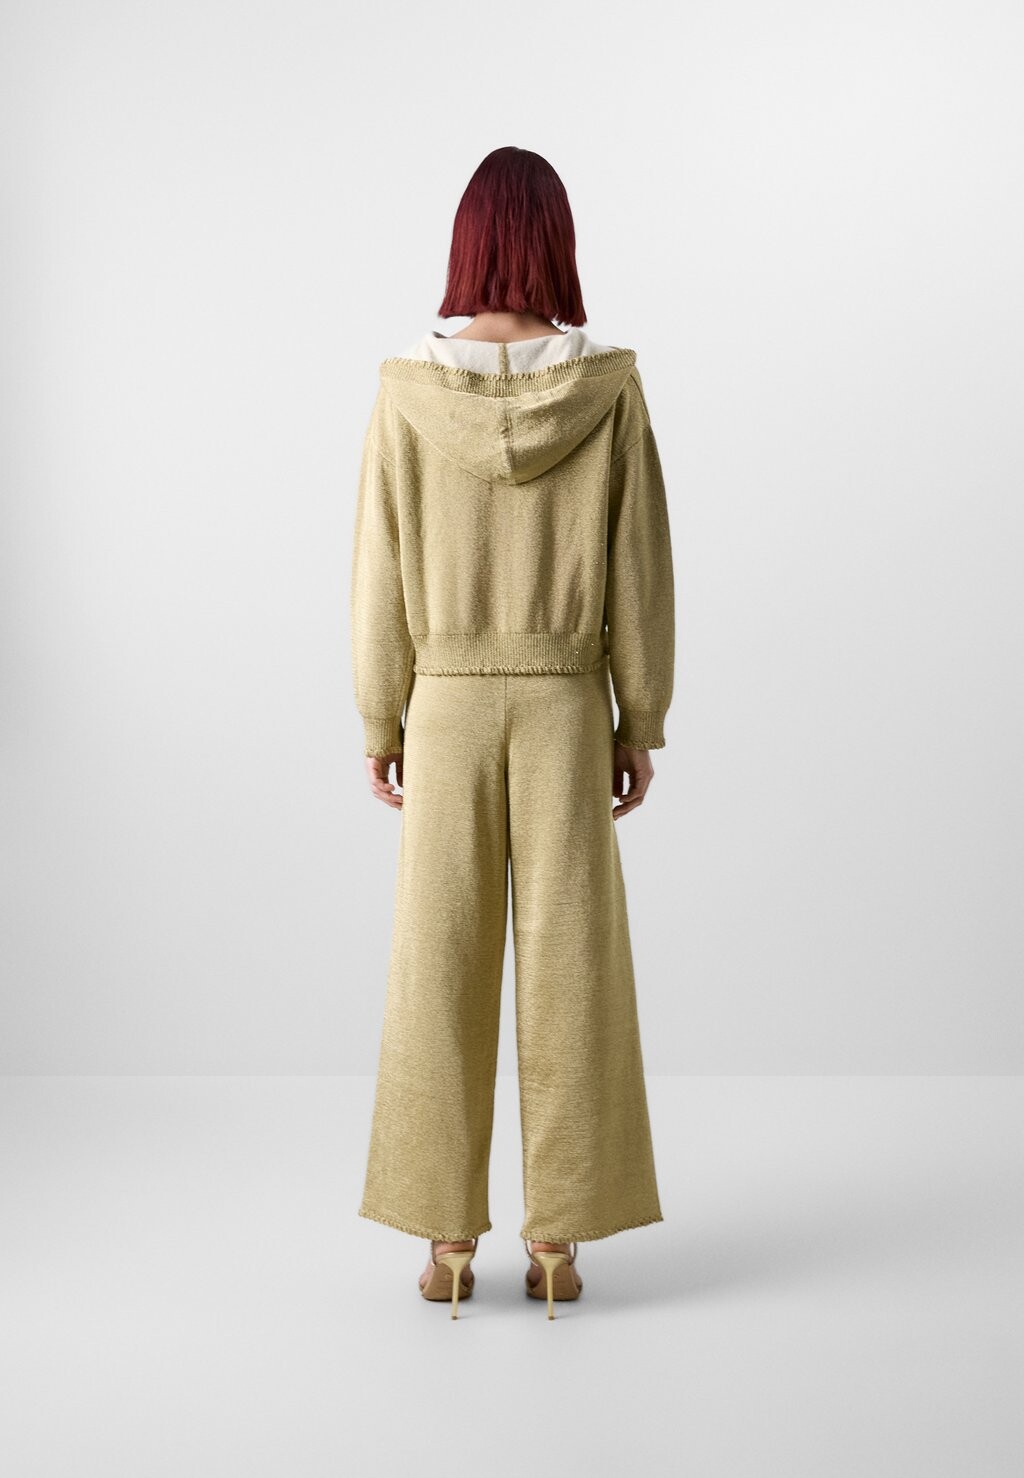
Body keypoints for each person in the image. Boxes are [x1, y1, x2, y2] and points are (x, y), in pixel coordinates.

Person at [350, 145, 676, 1319]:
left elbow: (381, 563)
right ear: (555, 245)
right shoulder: (607, 387)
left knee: (436, 961)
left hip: (443, 705)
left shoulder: (406, 390)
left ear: (468, 244)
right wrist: (639, 714)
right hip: (561, 702)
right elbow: (637, 561)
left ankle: (446, 1242)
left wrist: (381, 708)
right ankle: (556, 1241)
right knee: (572, 962)